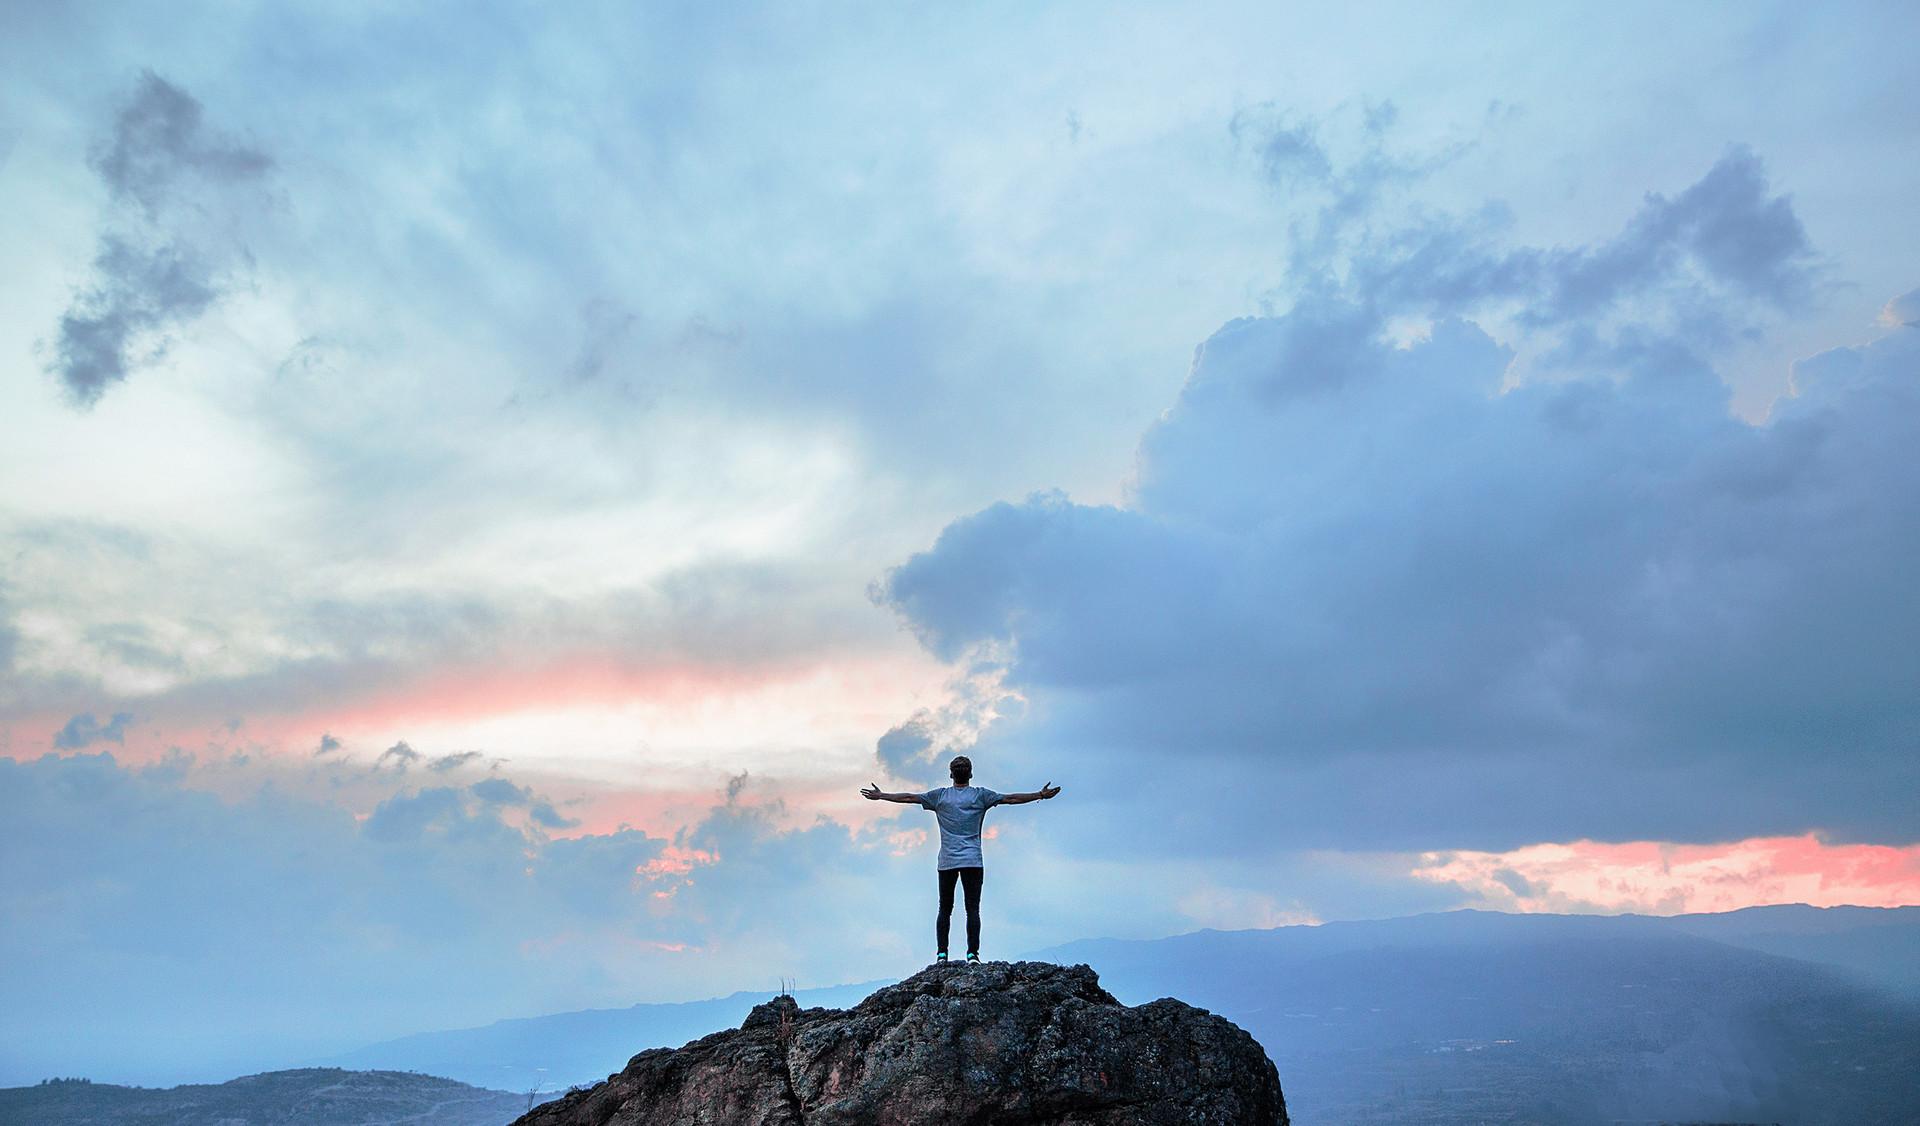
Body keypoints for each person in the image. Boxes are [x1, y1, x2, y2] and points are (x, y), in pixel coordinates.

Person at [861, 755, 1061, 965]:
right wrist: (1040, 794)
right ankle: (972, 955)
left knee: (945, 908)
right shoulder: (981, 796)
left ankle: (941, 955)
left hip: (947, 861)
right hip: (973, 860)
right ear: (971, 774)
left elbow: (909, 797)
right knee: (972, 908)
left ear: (950, 775)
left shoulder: (940, 797)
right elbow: (1011, 799)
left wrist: (881, 795)